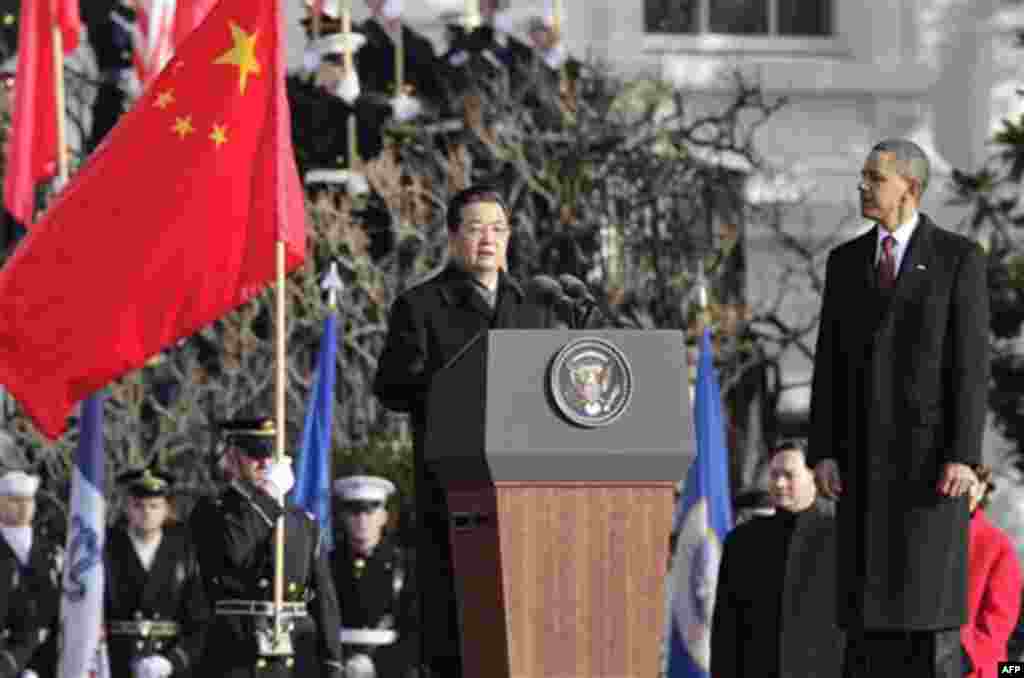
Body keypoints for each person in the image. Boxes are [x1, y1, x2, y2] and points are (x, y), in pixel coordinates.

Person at [808, 138, 989, 678]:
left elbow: (970, 364)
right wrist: (824, 451)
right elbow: (830, 366)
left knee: (924, 624)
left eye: (874, 177)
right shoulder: (845, 263)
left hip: (930, 472)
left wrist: (963, 453)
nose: (862, 186)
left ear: (909, 187)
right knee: (866, 628)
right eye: (862, 175)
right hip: (863, 469)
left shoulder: (958, 259)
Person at [373, 184, 551, 678]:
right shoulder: (421, 305)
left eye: (498, 229)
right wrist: (451, 382)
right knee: (461, 633)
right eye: (475, 229)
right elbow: (390, 386)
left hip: (526, 492)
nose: (488, 239)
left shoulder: (534, 305)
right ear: (453, 238)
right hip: (454, 493)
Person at [189, 417, 344, 678]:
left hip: (294, 660)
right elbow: (236, 549)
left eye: (270, 454)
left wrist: (332, 661)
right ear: (233, 456)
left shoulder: (302, 521)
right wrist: (270, 493)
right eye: (254, 454)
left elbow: (323, 597)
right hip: (238, 657)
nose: (264, 462)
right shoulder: (211, 511)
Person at [710, 441, 845, 678]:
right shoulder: (743, 541)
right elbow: (726, 628)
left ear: (813, 476)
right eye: (774, 475)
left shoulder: (839, 538)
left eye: (789, 475)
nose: (779, 483)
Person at [105, 467, 211, 678]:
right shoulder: (108, 548)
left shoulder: (183, 550)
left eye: (154, 506)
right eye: (139, 506)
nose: (147, 513)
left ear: (166, 510)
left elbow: (198, 620)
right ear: (127, 508)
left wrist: (172, 662)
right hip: (117, 663)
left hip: (166, 664)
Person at [330, 474, 418, 678]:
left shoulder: (404, 564)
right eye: (354, 512)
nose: (362, 520)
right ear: (343, 517)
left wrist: (378, 664)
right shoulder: (326, 564)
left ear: (383, 517)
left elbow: (415, 630)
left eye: (370, 512)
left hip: (390, 669)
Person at [960, 465, 1022, 678]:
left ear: (983, 488)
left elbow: (997, 626)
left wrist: (965, 661)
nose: (963, 489)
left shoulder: (997, 546)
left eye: (972, 482)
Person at [0, 467, 62, 678]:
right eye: (15, 501)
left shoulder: (52, 549)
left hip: (47, 657)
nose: (23, 507)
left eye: (28, 500)